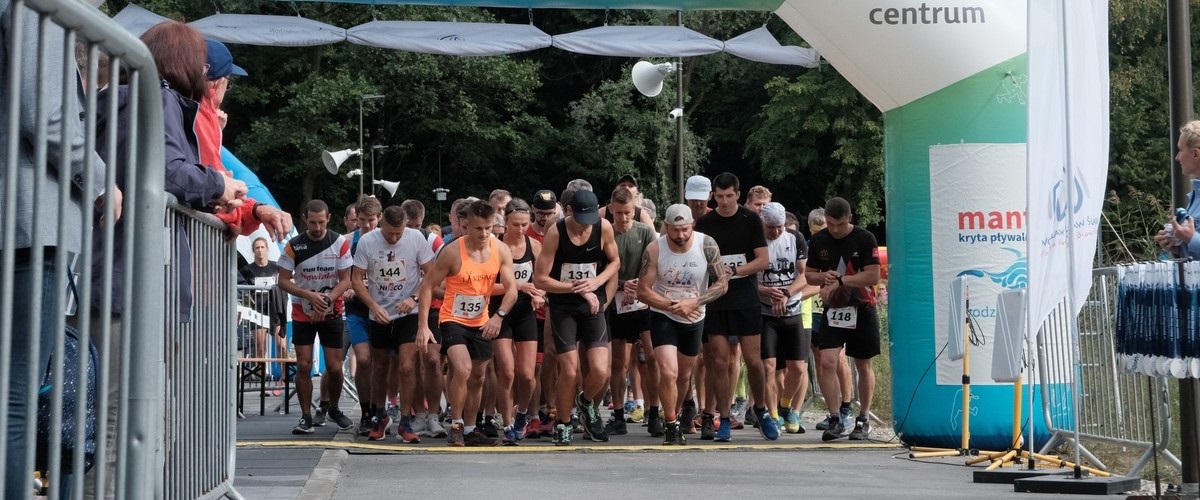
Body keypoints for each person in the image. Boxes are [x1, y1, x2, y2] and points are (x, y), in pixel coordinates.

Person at [1, 2, 110, 496]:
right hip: (31, 220)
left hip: (27, 221)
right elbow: (43, 112)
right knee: (18, 393)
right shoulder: (34, 6)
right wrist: (102, 180)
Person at [417, 200, 519, 447]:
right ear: (466, 226)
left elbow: (511, 290)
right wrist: (423, 325)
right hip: (452, 319)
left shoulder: (500, 250)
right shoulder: (453, 252)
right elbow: (427, 286)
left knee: (478, 377)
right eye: (478, 229)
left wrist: (499, 316)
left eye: (488, 228)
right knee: (461, 369)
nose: (484, 234)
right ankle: (456, 425)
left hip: (482, 320)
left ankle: (471, 428)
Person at [637, 204, 730, 445]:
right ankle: (670, 423)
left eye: (685, 230)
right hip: (663, 315)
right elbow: (643, 291)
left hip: (694, 316)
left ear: (693, 226)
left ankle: (675, 415)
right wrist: (671, 305)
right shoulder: (655, 248)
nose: (680, 235)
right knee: (668, 371)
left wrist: (694, 303)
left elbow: (722, 283)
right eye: (675, 230)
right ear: (666, 227)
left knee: (683, 375)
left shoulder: (706, 244)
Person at [534, 189, 621, 445]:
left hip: (592, 304)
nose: (586, 227)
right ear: (569, 212)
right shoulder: (555, 233)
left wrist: (596, 282)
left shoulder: (603, 227)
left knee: (600, 370)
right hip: (564, 306)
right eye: (581, 220)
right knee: (569, 371)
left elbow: (615, 262)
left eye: (590, 220)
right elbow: (541, 279)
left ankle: (585, 404)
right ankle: (563, 422)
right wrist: (576, 287)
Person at [694, 172, 777, 441]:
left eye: (730, 196)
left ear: (738, 195)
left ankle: (762, 411)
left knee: (754, 361)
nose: (725, 201)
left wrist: (733, 270)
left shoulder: (751, 219)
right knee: (718, 362)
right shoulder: (705, 222)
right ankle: (725, 418)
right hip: (717, 302)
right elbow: (699, 260)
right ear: (713, 196)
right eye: (719, 196)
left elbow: (762, 260)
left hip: (746, 300)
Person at [351, 206, 435, 442]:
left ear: (406, 225)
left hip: (408, 312)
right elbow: (356, 280)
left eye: (399, 233)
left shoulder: (416, 238)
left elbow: (432, 273)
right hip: (379, 312)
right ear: (382, 225)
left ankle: (406, 421)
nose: (394, 238)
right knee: (380, 367)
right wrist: (372, 305)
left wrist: (414, 297)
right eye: (389, 233)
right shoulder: (368, 241)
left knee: (407, 366)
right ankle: (380, 415)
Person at [805, 197, 882, 441]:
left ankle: (864, 417)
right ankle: (835, 417)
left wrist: (841, 280)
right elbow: (809, 275)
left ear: (849, 218)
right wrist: (824, 277)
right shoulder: (819, 240)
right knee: (827, 361)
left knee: (862, 364)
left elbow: (872, 275)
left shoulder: (865, 238)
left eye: (839, 224)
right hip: (834, 309)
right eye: (830, 224)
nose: (835, 230)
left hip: (862, 308)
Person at [278, 200, 355, 435]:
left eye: (321, 222)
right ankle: (305, 416)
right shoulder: (293, 246)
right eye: (312, 223)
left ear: (329, 218)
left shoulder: (339, 242)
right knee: (303, 364)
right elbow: (282, 280)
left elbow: (346, 280)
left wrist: (327, 301)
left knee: (334, 366)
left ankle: (333, 407)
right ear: (305, 220)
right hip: (303, 311)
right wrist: (308, 296)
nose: (317, 228)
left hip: (331, 309)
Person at [602, 186, 657, 437]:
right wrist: (624, 285)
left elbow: (654, 264)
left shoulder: (645, 232)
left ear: (634, 210)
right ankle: (618, 415)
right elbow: (602, 268)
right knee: (619, 362)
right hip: (616, 300)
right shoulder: (604, 232)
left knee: (650, 357)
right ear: (611, 210)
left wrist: (639, 284)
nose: (623, 218)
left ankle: (654, 412)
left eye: (628, 213)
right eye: (619, 213)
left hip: (643, 300)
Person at [492, 198, 546, 444]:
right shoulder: (495, 246)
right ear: (506, 222)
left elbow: (542, 280)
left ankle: (522, 414)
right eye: (515, 224)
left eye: (525, 224)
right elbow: (484, 286)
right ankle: (507, 422)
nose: (521, 229)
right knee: (507, 371)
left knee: (526, 374)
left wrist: (538, 295)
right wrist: (517, 286)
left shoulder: (534, 246)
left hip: (524, 312)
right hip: (500, 311)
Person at [756, 202, 812, 434]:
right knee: (769, 366)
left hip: (792, 308)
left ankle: (785, 403)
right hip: (765, 311)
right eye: (771, 227)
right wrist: (767, 291)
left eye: (779, 227)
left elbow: (805, 274)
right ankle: (773, 415)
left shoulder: (794, 237)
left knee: (798, 368)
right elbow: (748, 278)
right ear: (763, 224)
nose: (776, 231)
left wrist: (786, 293)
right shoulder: (755, 240)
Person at [806, 207, 854, 433]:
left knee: (840, 359)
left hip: (839, 306)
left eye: (822, 230)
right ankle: (832, 411)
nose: (821, 234)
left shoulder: (842, 242)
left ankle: (846, 408)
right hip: (816, 309)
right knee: (822, 360)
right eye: (815, 232)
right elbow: (807, 277)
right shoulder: (812, 245)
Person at [338, 196, 381, 433]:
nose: (365, 226)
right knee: (363, 359)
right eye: (361, 221)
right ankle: (366, 412)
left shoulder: (389, 239)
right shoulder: (346, 242)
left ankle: (379, 410)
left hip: (383, 306)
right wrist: (349, 288)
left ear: (379, 219)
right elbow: (339, 275)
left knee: (381, 362)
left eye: (371, 221)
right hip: (357, 309)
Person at [240, 237, 288, 363]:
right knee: (261, 348)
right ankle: (261, 379)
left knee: (282, 346)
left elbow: (287, 283)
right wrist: (246, 297)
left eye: (262, 247)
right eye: (257, 248)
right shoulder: (246, 270)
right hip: (258, 312)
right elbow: (240, 288)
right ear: (253, 250)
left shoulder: (276, 267)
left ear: (267, 249)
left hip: (276, 311)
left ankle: (283, 378)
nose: (260, 250)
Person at [1156, 120, 1200, 259]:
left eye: (1180, 150)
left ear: (1195, 154)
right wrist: (1177, 246)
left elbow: (1193, 239)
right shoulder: (1195, 196)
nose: (1177, 157)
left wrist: (1191, 238)